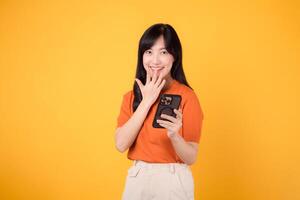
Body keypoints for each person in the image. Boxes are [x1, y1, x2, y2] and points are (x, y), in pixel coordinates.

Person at [115, 23, 204, 200]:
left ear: (174, 57)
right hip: (138, 178)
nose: (155, 60)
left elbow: (191, 157)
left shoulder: (187, 96)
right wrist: (146, 102)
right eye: (149, 52)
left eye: (163, 52)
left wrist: (174, 136)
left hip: (172, 180)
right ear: (141, 56)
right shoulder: (131, 97)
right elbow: (121, 144)